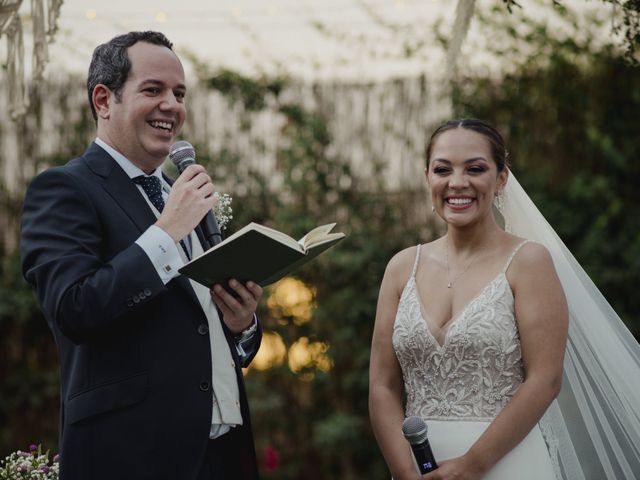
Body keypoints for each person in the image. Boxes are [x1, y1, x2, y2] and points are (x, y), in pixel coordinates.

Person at [20, 31, 263, 480]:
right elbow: (73, 308)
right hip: (132, 456)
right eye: (153, 90)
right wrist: (166, 232)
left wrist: (241, 325)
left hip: (222, 456)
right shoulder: (65, 190)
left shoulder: (179, 196)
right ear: (103, 100)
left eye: (179, 93)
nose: (172, 105)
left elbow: (196, 328)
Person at [369, 118, 640, 480]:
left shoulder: (529, 262)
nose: (457, 182)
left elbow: (545, 379)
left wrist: (472, 465)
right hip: (418, 466)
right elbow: (382, 385)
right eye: (443, 169)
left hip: (505, 463)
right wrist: (403, 471)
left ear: (501, 178)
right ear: (427, 177)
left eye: (476, 168)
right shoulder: (402, 267)